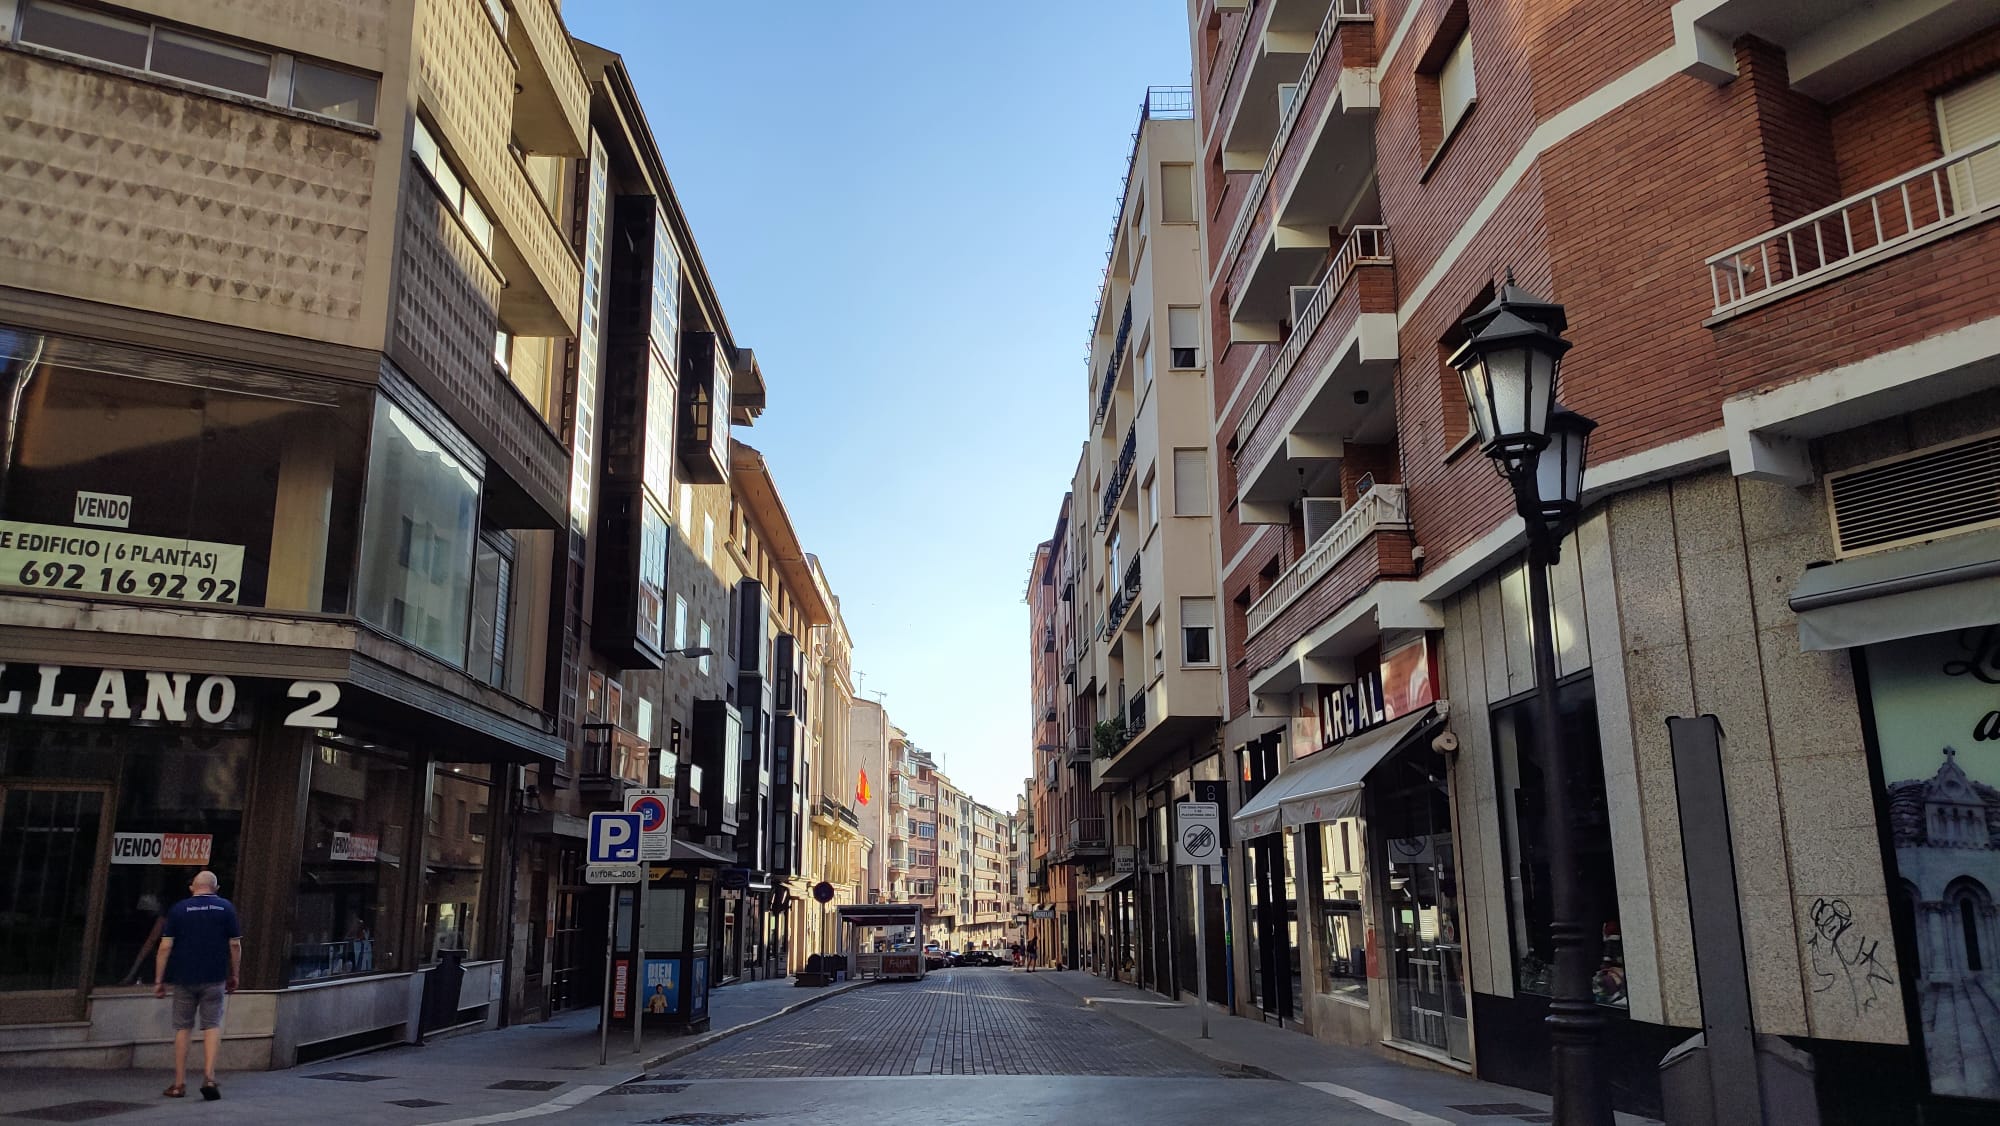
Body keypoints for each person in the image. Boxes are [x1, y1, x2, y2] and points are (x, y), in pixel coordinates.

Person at [153, 871, 241, 1101]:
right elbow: (234, 945)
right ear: (216, 887)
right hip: (214, 976)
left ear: (193, 887)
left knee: (183, 1028)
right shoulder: (226, 908)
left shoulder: (179, 909)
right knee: (212, 1025)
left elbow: (164, 947)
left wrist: (159, 979)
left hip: (184, 977)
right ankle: (209, 1076)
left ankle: (179, 1083)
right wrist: (235, 974)